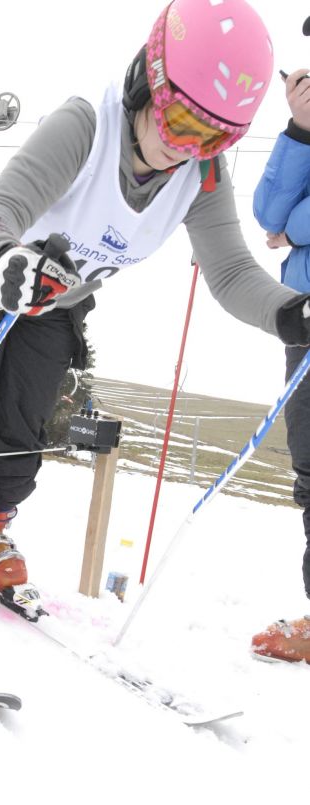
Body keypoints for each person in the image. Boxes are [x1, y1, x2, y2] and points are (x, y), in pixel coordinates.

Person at [0, 0, 310, 605]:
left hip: (60, 296)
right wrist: (6, 259)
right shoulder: (89, 123)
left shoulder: (202, 173)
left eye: (215, 137)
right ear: (148, 81)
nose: (188, 147)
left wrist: (293, 313)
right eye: (183, 123)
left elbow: (234, 271)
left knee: (24, 418)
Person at [251, 68, 310, 663]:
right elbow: (270, 213)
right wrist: (299, 131)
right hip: (305, 320)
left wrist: (296, 226)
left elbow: (292, 223)